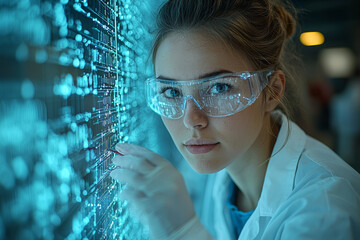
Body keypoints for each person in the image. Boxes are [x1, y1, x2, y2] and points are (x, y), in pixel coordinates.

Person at [110, 0, 360, 239]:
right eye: (172, 92)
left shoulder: (326, 212)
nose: (191, 120)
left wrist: (185, 232)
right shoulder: (216, 169)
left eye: (219, 88)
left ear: (272, 91)